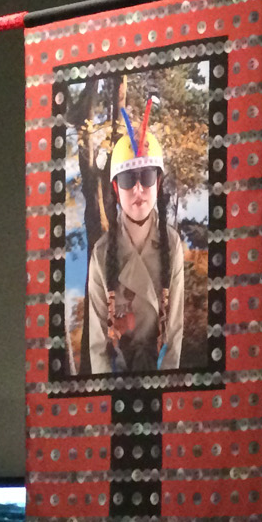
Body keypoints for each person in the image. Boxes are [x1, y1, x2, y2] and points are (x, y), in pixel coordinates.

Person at [87, 101, 186, 373]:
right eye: (128, 179)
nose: (139, 189)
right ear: (116, 188)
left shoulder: (172, 245)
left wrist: (164, 390)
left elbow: (174, 335)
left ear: (159, 182)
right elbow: (98, 348)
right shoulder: (101, 254)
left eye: (147, 176)